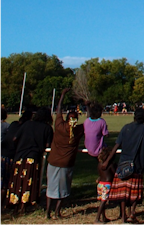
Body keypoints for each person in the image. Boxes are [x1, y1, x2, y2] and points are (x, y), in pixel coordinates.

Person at [105, 106, 144, 223]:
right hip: (137, 164)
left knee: (123, 192)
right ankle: (132, 213)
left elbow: (116, 146)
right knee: (135, 192)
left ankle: (123, 217)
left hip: (123, 164)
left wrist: (107, 161)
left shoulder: (126, 128)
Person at [46, 89, 85, 219]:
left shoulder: (59, 126)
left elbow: (58, 111)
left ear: (67, 118)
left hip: (53, 161)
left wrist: (62, 96)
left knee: (51, 187)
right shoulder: (79, 130)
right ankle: (57, 212)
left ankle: (47, 212)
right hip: (67, 163)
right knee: (63, 189)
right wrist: (88, 105)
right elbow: (89, 120)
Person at [6, 107, 52, 214]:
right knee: (29, 180)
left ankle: (14, 203)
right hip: (33, 157)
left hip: (19, 156)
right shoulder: (47, 128)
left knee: (17, 180)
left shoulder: (27, 124)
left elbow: (15, 138)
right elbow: (48, 145)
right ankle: (24, 205)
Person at [96, 146, 116, 223]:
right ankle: (97, 218)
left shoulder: (99, 165)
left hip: (100, 184)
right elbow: (114, 173)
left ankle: (103, 217)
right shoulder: (110, 165)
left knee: (102, 201)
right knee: (103, 202)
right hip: (106, 185)